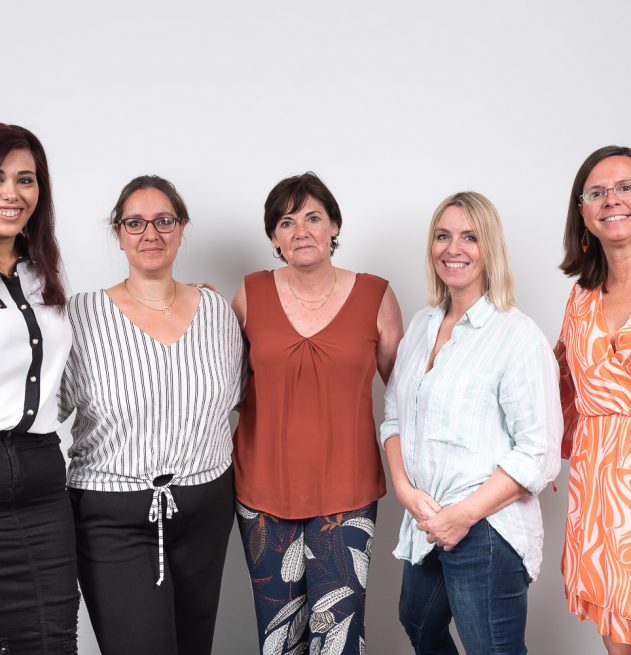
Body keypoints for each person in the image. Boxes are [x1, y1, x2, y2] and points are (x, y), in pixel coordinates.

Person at [58, 175, 243, 655]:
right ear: (118, 233)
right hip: (111, 511)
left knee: (193, 645)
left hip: (205, 505)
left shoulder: (216, 312)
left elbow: (240, 398)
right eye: (135, 223)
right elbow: (37, 407)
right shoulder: (80, 316)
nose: (150, 233)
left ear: (181, 228)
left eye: (164, 220)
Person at [381, 191, 562, 655]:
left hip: (486, 526)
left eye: (469, 237)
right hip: (427, 518)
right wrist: (404, 490)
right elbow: (394, 417)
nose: (453, 249)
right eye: (442, 236)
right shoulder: (421, 326)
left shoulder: (516, 336)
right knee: (418, 623)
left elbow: (539, 454)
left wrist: (461, 516)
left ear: (490, 249)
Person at [231, 172, 403, 655]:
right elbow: (221, 384)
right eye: (286, 223)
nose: (300, 231)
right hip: (262, 492)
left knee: (338, 637)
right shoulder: (248, 294)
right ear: (274, 238)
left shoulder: (376, 296)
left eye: (312, 217)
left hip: (347, 493)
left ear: (334, 226)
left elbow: (407, 398)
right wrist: (197, 306)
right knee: (279, 638)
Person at [0, 124, 79, 653]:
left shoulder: (40, 275)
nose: (12, 193)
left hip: (42, 480)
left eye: (25, 179)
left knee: (51, 640)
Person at [555, 145, 631, 654]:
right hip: (599, 484)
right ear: (582, 213)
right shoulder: (580, 298)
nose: (612, 200)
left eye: (626, 187)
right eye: (597, 192)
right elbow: (558, 381)